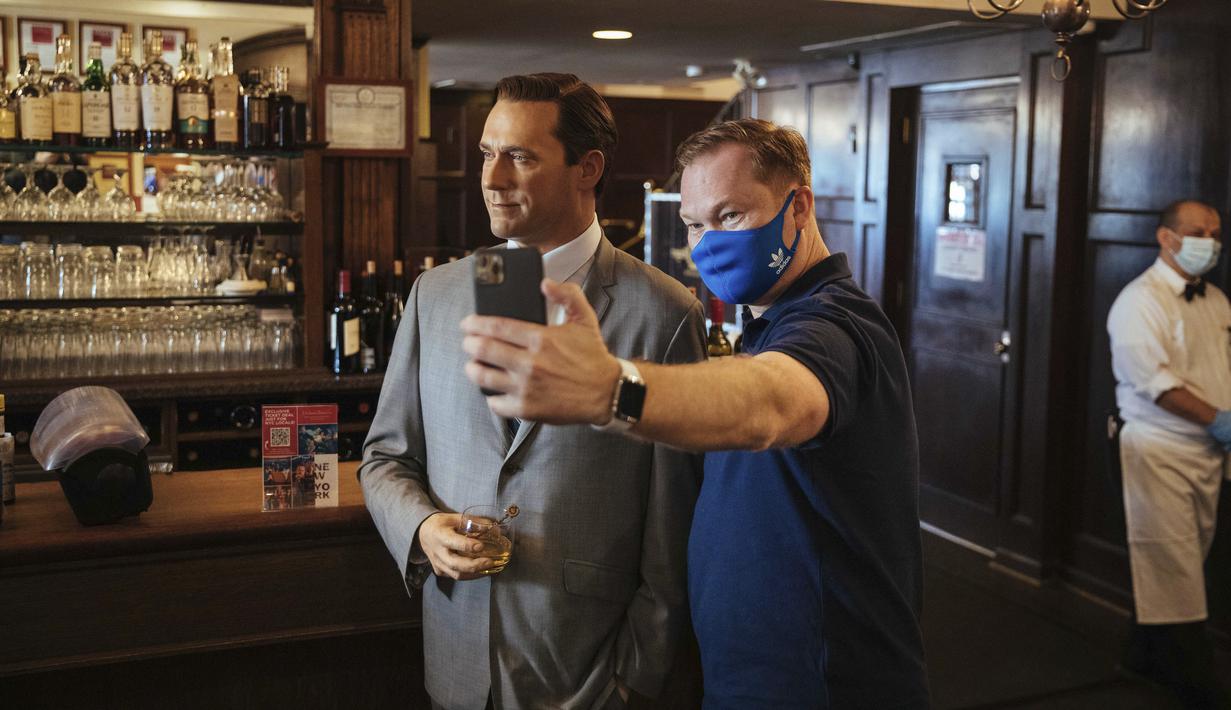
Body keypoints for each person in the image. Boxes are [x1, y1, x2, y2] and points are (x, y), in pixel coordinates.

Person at [461, 119, 930, 708]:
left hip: (824, 684)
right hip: (747, 678)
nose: (707, 242)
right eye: (693, 224)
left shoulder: (834, 325)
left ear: (798, 207)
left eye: (730, 216)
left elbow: (770, 401)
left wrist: (612, 389)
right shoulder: (769, 324)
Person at [359, 72, 707, 710]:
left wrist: (637, 678)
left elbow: (674, 527)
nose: (492, 179)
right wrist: (423, 528)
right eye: (488, 153)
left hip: (591, 673)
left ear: (587, 168)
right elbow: (384, 458)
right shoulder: (434, 296)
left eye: (519, 156)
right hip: (458, 659)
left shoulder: (665, 312)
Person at [1107, 199, 1230, 708]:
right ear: (1167, 238)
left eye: (1216, 232)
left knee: (1184, 557)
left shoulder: (1218, 301)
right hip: (1157, 450)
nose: (1211, 242)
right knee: (1173, 562)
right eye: (1199, 231)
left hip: (1208, 455)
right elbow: (1158, 385)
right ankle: (1200, 685)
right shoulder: (1139, 301)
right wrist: (1219, 420)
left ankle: (1140, 656)